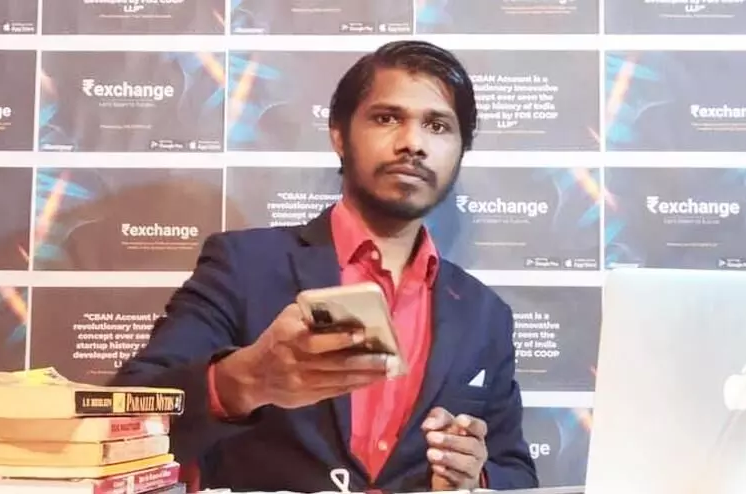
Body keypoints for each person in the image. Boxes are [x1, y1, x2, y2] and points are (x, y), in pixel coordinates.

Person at [111, 40, 539, 493]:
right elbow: (123, 419)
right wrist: (243, 381)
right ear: (339, 134)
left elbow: (516, 471)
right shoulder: (244, 266)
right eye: (386, 118)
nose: (413, 143)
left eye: (437, 125)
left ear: (460, 150)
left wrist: (476, 475)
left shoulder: (484, 315)